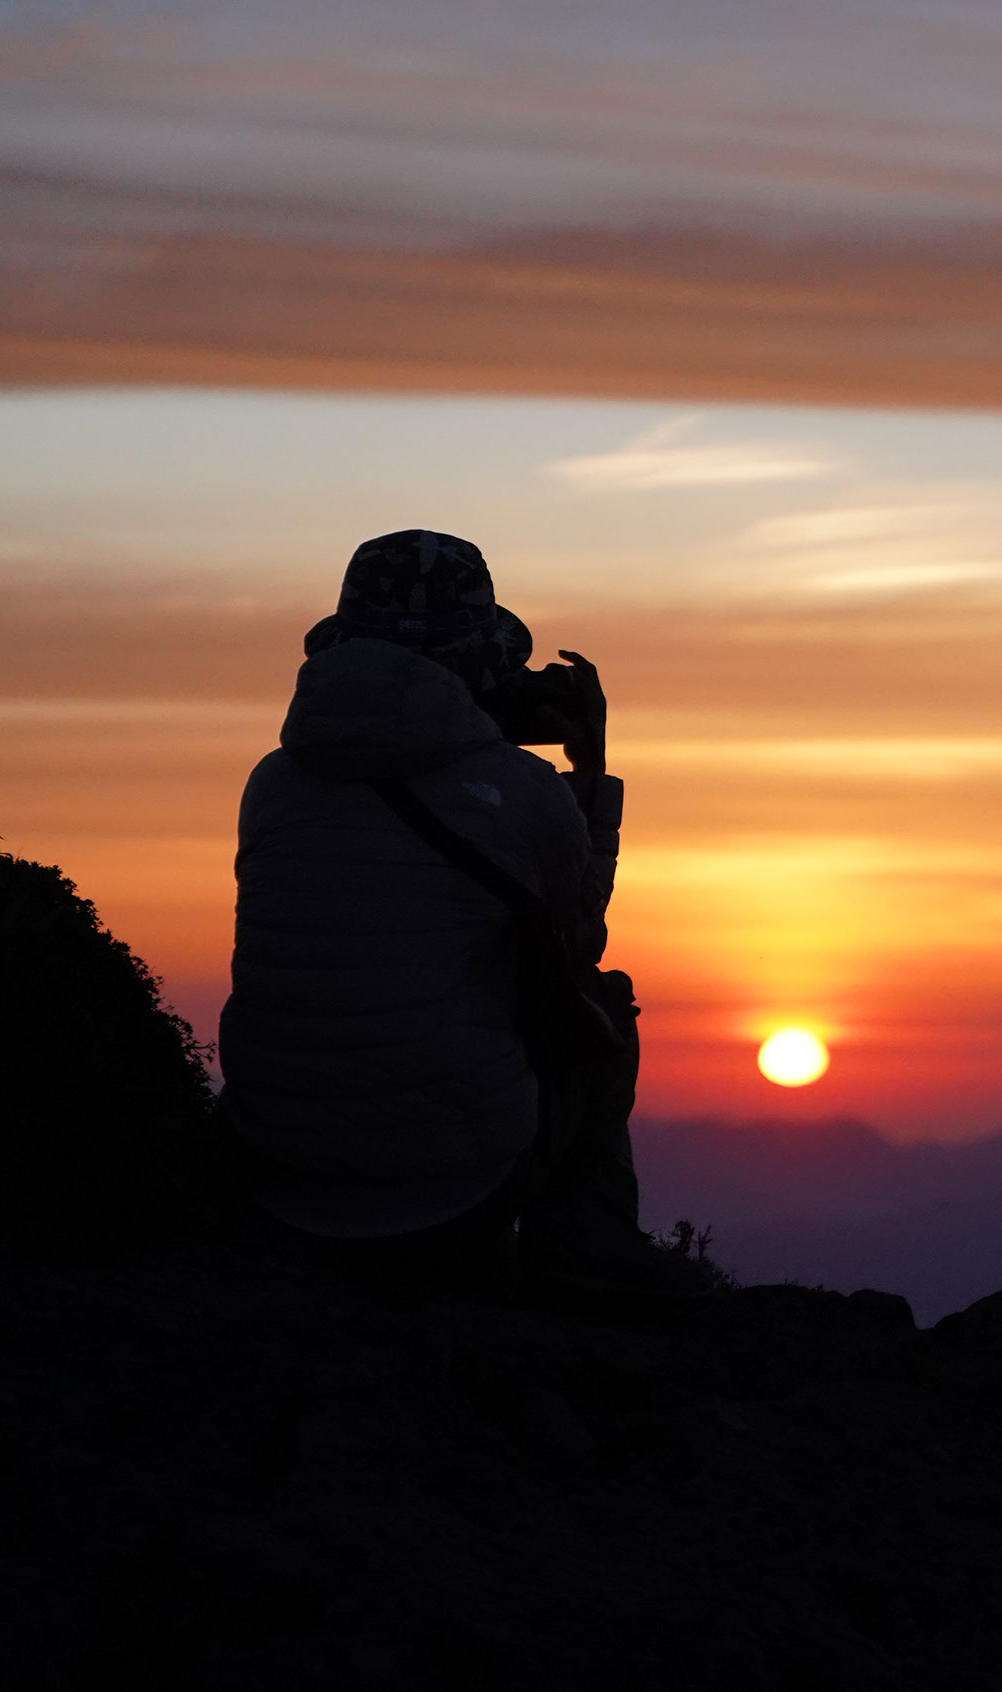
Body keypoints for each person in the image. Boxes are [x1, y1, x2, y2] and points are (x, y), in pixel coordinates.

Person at [217, 528, 706, 1302]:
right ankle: (587, 1245)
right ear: (482, 663)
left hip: (276, 1174)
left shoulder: (270, 785)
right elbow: (572, 957)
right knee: (604, 1007)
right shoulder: (522, 792)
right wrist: (589, 774)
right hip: (447, 1192)